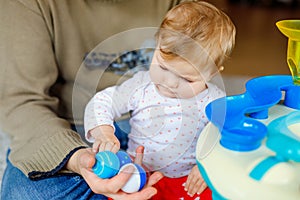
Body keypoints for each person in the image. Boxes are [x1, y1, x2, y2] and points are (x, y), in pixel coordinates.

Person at [0, 0, 187, 199]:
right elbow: (24, 100)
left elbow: (199, 67)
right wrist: (77, 159)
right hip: (66, 124)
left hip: (155, 112)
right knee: (25, 195)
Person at [84, 1, 236, 199]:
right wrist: (103, 132)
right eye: (163, 67)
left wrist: (207, 166)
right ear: (155, 47)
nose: (170, 83)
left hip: (187, 179)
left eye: (187, 78)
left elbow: (228, 137)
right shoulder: (140, 86)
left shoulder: (215, 100)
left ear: (212, 73)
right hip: (139, 172)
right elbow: (102, 102)